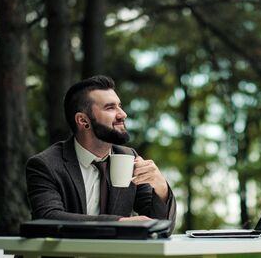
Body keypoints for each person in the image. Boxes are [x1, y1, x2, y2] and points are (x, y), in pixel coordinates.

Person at [26, 75, 176, 230]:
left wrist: (161, 188)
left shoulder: (129, 157)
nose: (122, 114)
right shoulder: (45, 164)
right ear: (83, 121)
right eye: (110, 108)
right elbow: (48, 218)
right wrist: (118, 223)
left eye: (119, 105)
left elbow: (159, 227)